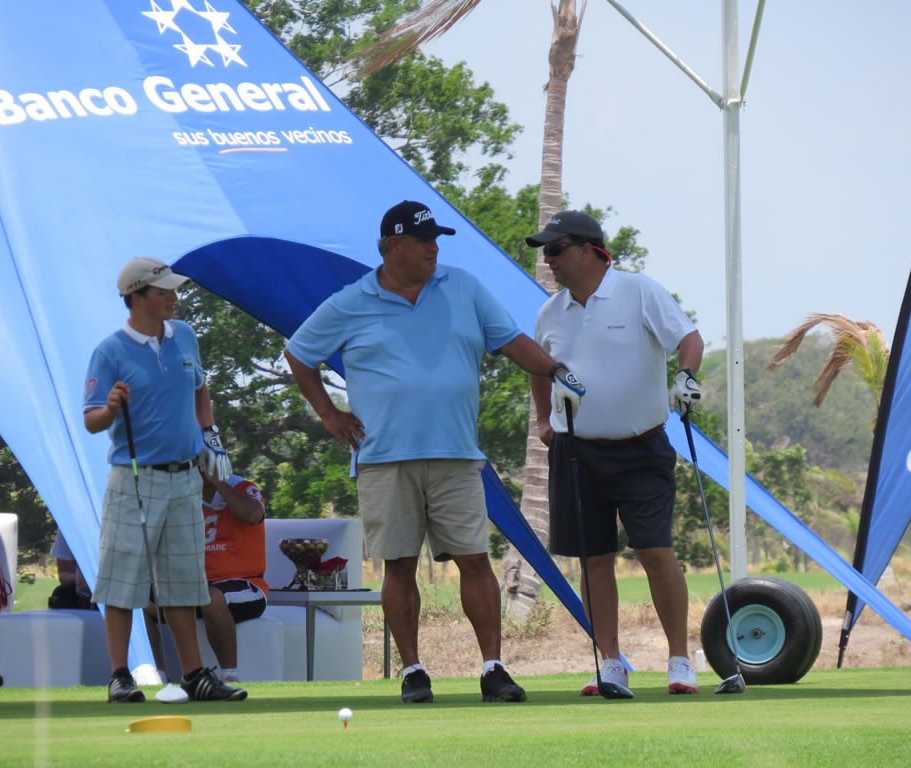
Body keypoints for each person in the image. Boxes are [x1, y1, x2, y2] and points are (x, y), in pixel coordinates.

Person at [284, 200, 583, 704]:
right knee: (399, 565)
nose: (433, 249)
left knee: (474, 560)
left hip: (456, 454)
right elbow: (299, 353)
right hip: (383, 457)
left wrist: (555, 370)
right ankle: (413, 671)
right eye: (423, 240)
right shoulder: (351, 301)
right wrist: (330, 416)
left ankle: (493, 668)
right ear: (392, 245)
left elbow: (512, 342)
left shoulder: (463, 287)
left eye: (436, 240)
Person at [525, 210, 704, 697]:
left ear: (588, 251)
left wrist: (686, 376)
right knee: (594, 559)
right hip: (576, 452)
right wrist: (544, 423)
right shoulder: (550, 312)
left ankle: (680, 660)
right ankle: (611, 663)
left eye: (555, 250)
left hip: (642, 447)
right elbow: (538, 368)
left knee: (655, 551)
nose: (549, 260)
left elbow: (688, 339)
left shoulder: (638, 290)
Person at [82, 256, 246, 703]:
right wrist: (111, 408)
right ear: (136, 296)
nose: (174, 297)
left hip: (185, 476)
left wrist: (210, 436)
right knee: (122, 582)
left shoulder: (185, 336)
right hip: (134, 479)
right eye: (163, 291)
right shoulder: (110, 351)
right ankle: (120, 676)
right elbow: (91, 420)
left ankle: (194, 675)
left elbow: (200, 389)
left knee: (183, 582)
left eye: (173, 290)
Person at [147, 469, 267, 684]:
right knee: (138, 598)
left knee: (211, 597)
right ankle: (156, 676)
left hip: (246, 585)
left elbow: (253, 515)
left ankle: (229, 676)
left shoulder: (242, 487)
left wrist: (218, 482)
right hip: (196, 588)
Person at [47, 531, 95, 610]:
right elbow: (64, 574)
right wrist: (80, 578)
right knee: (61, 593)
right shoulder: (69, 529)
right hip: (86, 595)